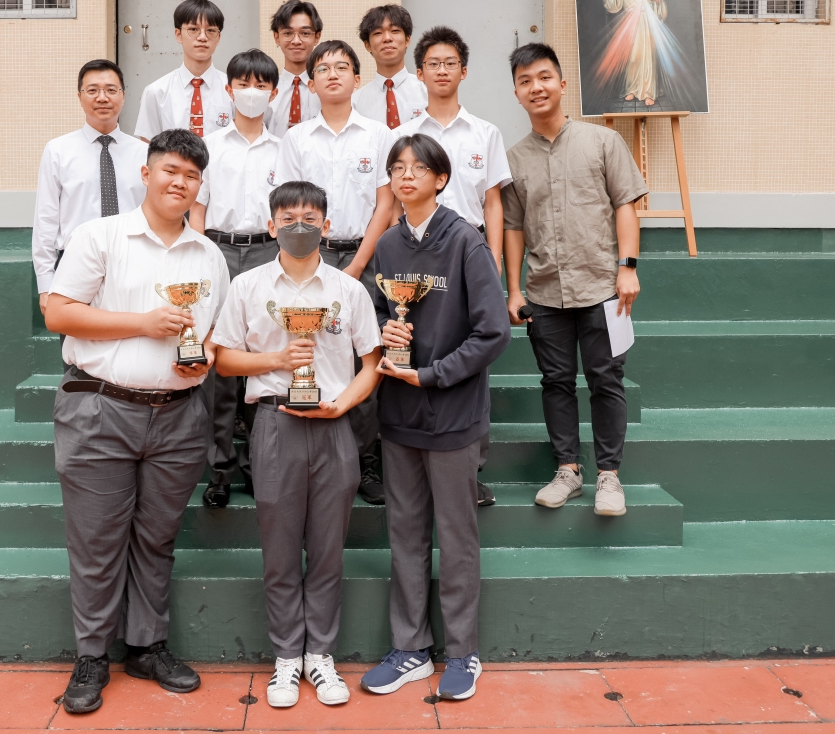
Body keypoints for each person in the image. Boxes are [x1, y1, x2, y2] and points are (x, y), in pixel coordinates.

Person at [45, 129, 231, 714]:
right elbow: (58, 313)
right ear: (146, 174)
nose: (181, 182)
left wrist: (204, 357)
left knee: (156, 539)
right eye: (171, 170)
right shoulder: (100, 235)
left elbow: (214, 334)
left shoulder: (208, 255)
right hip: (101, 409)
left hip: (178, 416)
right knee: (97, 540)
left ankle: (147, 647)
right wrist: (143, 324)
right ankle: (92, 655)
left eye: (192, 176)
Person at [211, 180, 382, 709]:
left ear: (327, 227)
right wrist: (276, 361)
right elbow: (224, 360)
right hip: (273, 424)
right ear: (271, 226)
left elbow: (371, 364)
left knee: (328, 551)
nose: (299, 226)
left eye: (310, 218)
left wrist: (343, 405)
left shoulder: (348, 291)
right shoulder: (248, 286)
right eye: (288, 219)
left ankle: (320, 655)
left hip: (333, 426)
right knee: (281, 551)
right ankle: (287, 656)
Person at [361, 135, 509, 702]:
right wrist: (386, 332)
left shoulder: (466, 241)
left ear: (441, 179)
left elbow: (493, 332)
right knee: (404, 533)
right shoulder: (388, 244)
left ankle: (463, 652)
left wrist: (433, 374)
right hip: (399, 414)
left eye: (418, 168)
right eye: (397, 167)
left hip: (452, 412)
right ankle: (410, 649)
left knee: (457, 536)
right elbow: (379, 311)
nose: (406, 176)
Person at [501, 43, 647, 518]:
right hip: (545, 293)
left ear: (562, 84)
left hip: (604, 287)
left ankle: (609, 475)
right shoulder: (513, 159)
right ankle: (567, 469)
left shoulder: (602, 141)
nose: (536, 87)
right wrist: (514, 289)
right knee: (556, 382)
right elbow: (513, 227)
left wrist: (628, 266)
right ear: (517, 93)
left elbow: (626, 204)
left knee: (606, 380)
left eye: (544, 77)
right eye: (525, 81)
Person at [274, 40, 395, 505]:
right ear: (311, 83)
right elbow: (290, 205)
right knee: (312, 349)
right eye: (322, 69)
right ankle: (304, 447)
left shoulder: (379, 135)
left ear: (357, 79)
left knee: (365, 354)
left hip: (367, 257)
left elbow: (386, 203)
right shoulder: (297, 138)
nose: (332, 74)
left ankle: (365, 460)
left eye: (342, 67)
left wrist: (358, 263)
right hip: (310, 256)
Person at [395, 27, 512, 507]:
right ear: (419, 73)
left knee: (472, 356)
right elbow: (393, 200)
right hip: (418, 252)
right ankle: (416, 455)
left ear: (464, 71)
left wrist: (494, 261)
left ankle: (470, 467)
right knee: (418, 348)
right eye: (432, 64)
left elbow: (493, 202)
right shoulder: (404, 134)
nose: (441, 71)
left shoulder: (485, 132)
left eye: (450, 63)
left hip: (469, 251)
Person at [191, 48, 283, 508]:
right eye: (243, 84)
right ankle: (220, 468)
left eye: (261, 85)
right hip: (219, 250)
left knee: (264, 356)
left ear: (274, 93)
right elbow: (198, 208)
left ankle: (262, 465)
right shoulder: (210, 146)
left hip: (269, 251)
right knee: (220, 361)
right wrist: (197, 257)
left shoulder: (285, 150)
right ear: (228, 90)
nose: (252, 92)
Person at [33, 59, 148, 315]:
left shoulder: (145, 153)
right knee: (76, 338)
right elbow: (46, 220)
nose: (102, 98)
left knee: (132, 336)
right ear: (80, 97)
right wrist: (46, 284)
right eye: (93, 90)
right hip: (75, 263)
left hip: (133, 261)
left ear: (123, 96)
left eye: (111, 90)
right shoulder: (58, 151)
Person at [134, 0, 232, 140]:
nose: (202, 37)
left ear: (218, 38)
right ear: (178, 34)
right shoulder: (156, 92)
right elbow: (147, 145)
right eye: (193, 29)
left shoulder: (233, 90)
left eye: (210, 30)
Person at [352, 4, 427, 129]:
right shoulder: (356, 103)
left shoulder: (427, 92)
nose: (387, 38)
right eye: (378, 33)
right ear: (367, 45)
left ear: (408, 39)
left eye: (395, 31)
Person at [265, 0, 323, 138]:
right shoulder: (266, 90)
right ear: (276, 37)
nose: (296, 41)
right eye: (288, 33)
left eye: (305, 33)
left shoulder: (326, 88)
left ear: (317, 37)